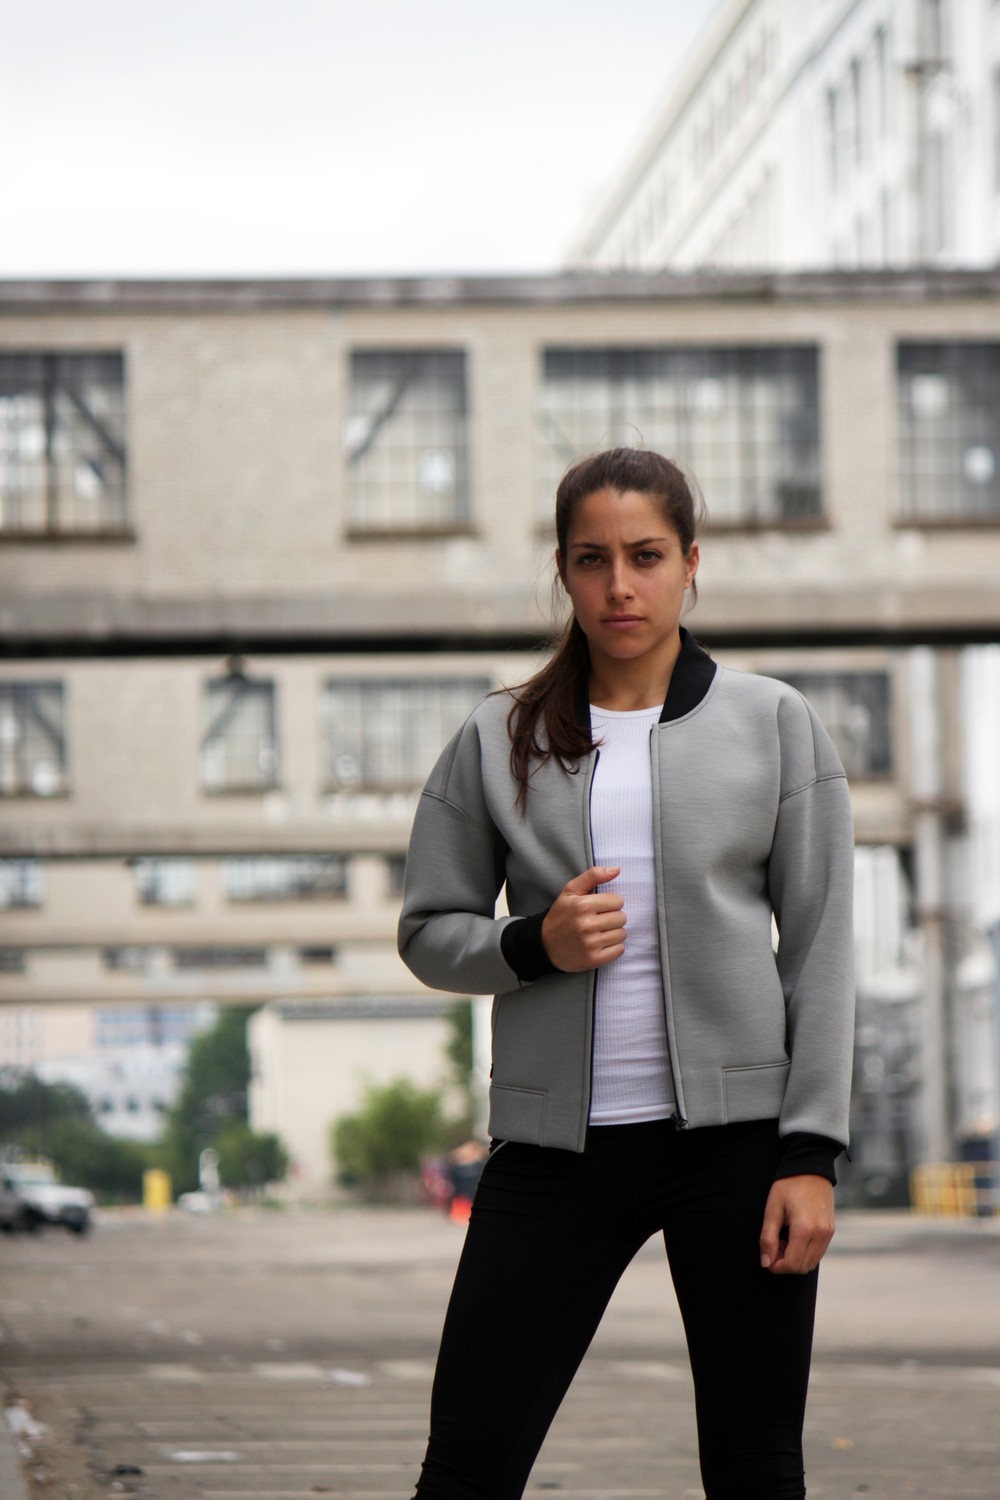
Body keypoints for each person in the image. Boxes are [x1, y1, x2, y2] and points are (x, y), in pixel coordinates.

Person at [397, 447, 855, 1500]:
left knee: (755, 1471)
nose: (620, 586)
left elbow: (821, 947)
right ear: (562, 570)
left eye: (645, 556)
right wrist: (533, 945)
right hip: (553, 1149)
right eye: (592, 559)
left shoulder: (773, 723)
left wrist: (810, 1155)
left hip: (736, 1150)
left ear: (691, 562)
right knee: (465, 1467)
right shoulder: (499, 735)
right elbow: (427, 930)